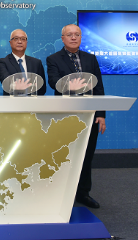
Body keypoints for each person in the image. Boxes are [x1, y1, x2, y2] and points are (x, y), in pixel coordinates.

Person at [46, 24, 106, 209]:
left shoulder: (91, 59)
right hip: (66, 116)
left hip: (89, 115)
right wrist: (69, 87)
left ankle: (83, 193)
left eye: (77, 34)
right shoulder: (53, 58)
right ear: (62, 38)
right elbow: (53, 82)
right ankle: (60, 194)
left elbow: (98, 87)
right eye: (69, 35)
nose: (73, 37)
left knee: (86, 155)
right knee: (65, 155)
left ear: (81, 38)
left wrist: (101, 114)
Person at [0, 29, 46, 96]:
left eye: (23, 39)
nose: (20, 41)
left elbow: (42, 88)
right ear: (10, 42)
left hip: (33, 104)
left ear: (26, 42)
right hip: (12, 103)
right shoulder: (3, 62)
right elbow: (6, 82)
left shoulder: (36, 63)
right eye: (16, 39)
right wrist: (17, 88)